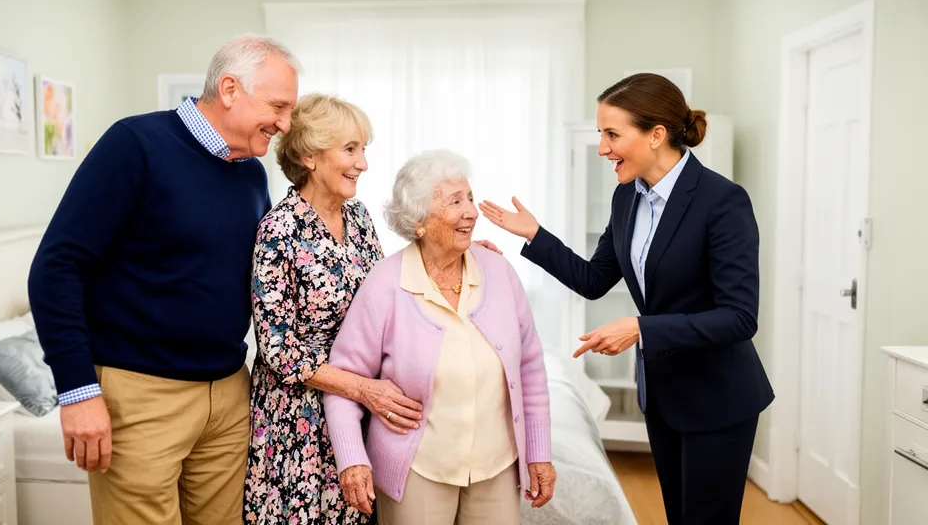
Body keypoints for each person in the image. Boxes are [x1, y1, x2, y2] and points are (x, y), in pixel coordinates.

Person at [27, 34, 300, 525]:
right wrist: (77, 391)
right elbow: (56, 269)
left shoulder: (252, 175)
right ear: (231, 89)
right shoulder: (134, 145)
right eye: (277, 107)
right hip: (141, 397)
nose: (283, 124)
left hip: (229, 394)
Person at [479, 73, 774, 525]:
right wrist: (536, 236)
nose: (602, 148)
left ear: (656, 135)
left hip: (718, 398)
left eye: (612, 134)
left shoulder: (722, 201)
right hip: (663, 394)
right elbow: (594, 279)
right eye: (600, 134)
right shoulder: (626, 199)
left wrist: (640, 328)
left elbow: (739, 317)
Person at [323, 149, 557, 524]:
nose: (472, 211)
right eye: (455, 201)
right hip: (418, 468)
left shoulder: (499, 272)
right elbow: (344, 379)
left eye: (469, 197)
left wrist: (539, 452)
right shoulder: (385, 284)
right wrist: (352, 459)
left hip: (496, 465)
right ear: (419, 220)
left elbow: (530, 366)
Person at [245, 93, 426, 524]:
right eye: (350, 149)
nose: (363, 163)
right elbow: (279, 349)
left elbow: (390, 292)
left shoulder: (359, 217)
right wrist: (364, 390)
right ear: (309, 156)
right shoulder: (278, 230)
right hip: (298, 419)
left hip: (358, 407)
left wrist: (459, 252)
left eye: (363, 149)